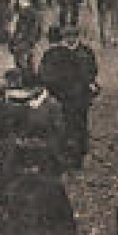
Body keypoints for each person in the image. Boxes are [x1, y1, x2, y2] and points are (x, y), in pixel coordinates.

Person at [37, 25, 99, 166]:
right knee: (61, 126)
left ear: (77, 37)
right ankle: (62, 156)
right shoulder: (53, 53)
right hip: (61, 96)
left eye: (73, 36)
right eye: (67, 37)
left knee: (79, 126)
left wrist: (88, 85)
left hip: (80, 97)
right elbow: (44, 74)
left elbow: (92, 71)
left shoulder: (86, 52)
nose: (70, 40)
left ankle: (78, 157)